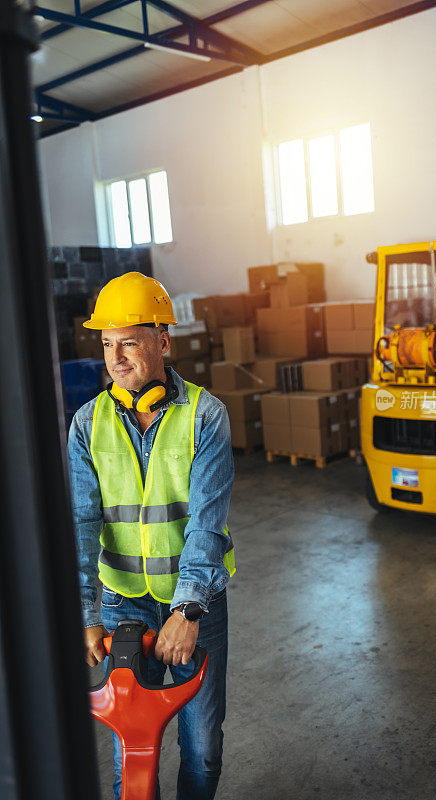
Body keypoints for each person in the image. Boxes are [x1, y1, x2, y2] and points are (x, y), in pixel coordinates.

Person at [67, 272, 235, 800]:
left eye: (130, 343)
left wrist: (188, 612)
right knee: (132, 750)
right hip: (122, 606)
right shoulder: (86, 425)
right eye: (108, 345)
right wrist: (86, 612)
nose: (116, 359)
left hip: (194, 608)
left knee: (202, 749)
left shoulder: (205, 417)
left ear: (164, 341)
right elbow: (79, 525)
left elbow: (207, 523)